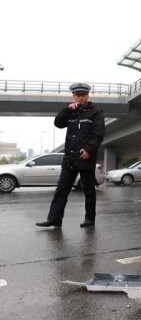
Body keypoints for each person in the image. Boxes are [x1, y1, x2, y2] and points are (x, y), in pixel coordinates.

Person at [36, 82, 105, 228]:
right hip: (70, 158)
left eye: (83, 95)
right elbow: (58, 123)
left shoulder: (96, 112)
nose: (80, 98)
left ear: (87, 95)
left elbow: (98, 134)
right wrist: (67, 110)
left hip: (86, 157)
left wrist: (89, 149)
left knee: (88, 190)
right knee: (61, 189)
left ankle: (89, 218)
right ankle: (55, 219)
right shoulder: (70, 111)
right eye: (77, 95)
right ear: (73, 96)